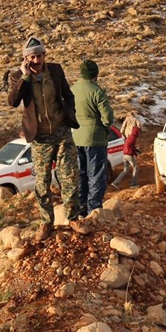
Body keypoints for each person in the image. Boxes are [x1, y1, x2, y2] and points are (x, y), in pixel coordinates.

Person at [8, 36, 90, 241]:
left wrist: (70, 112)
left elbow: (68, 94)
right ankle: (46, 222)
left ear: (45, 55)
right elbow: (13, 101)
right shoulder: (18, 76)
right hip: (40, 137)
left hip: (62, 132)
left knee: (70, 176)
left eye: (40, 55)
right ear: (26, 59)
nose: (37, 60)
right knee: (42, 181)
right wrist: (25, 77)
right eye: (33, 57)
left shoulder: (55, 70)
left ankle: (73, 217)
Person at [71, 59, 114, 217]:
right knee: (95, 174)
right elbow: (107, 117)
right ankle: (94, 210)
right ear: (96, 74)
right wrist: (105, 126)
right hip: (95, 138)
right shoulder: (97, 91)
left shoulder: (73, 89)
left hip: (76, 136)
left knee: (81, 174)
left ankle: (81, 208)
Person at [113, 113, 142, 188]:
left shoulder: (128, 138)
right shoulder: (133, 137)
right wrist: (135, 153)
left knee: (125, 170)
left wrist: (123, 135)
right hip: (129, 154)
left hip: (124, 154)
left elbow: (122, 129)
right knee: (136, 168)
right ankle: (133, 184)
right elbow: (131, 149)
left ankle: (115, 182)